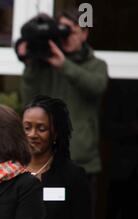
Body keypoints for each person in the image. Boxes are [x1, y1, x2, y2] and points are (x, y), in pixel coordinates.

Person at [18, 10, 108, 183]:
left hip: (82, 161)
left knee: (79, 210)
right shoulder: (45, 66)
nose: (66, 36)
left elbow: (95, 86)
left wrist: (63, 65)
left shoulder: (96, 65)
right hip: (45, 159)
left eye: (71, 31)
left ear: (84, 33)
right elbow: (29, 101)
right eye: (61, 31)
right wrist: (31, 63)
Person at [22, 95, 93, 219]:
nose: (32, 134)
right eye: (27, 127)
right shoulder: (8, 172)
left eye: (41, 128)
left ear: (55, 133)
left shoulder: (72, 177)